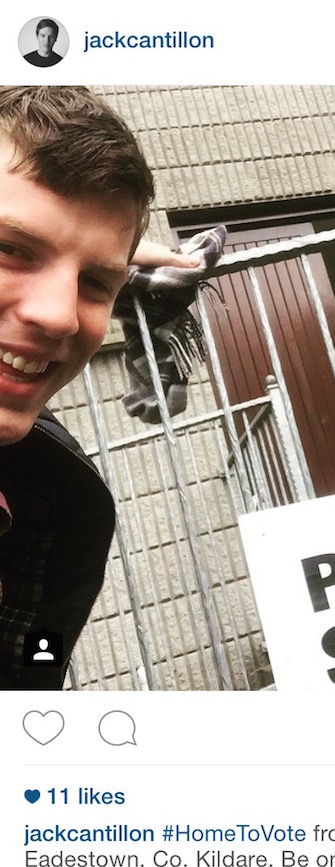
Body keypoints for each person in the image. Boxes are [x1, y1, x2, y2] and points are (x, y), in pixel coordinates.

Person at [0, 86, 196, 690]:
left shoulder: (62, 507)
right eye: (10, 249)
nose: (60, 316)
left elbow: (36, 670)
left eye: (95, 282)